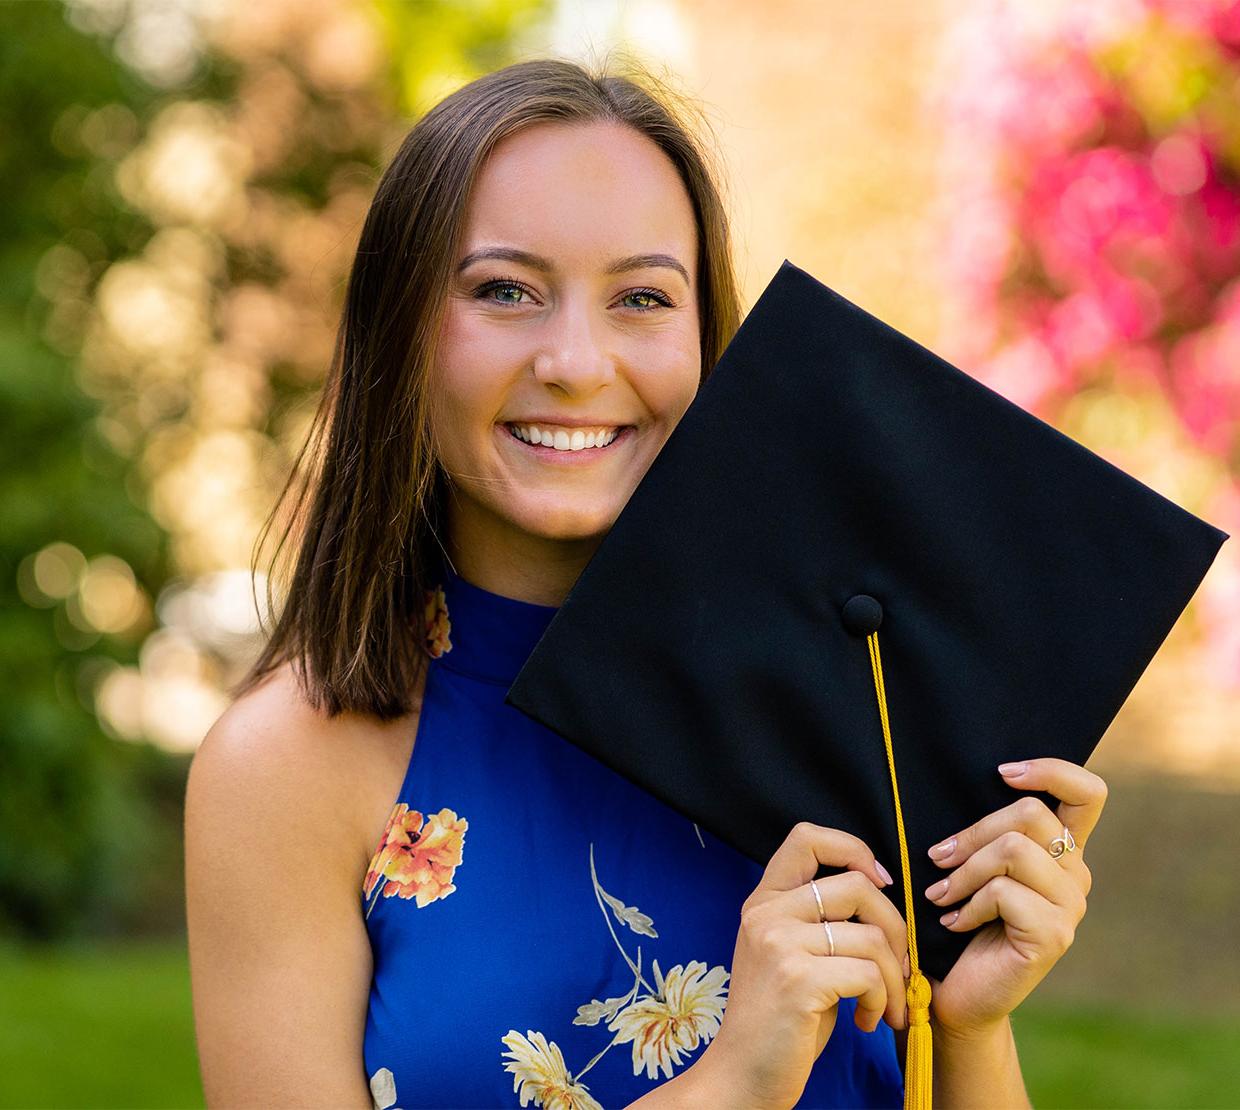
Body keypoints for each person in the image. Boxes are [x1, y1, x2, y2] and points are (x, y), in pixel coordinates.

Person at [185, 55, 1107, 1109]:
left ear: (709, 343)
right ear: (402, 333)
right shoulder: (290, 770)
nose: (577, 361)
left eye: (640, 298)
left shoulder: (858, 705)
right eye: (504, 291)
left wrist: (971, 1025)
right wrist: (733, 1082)